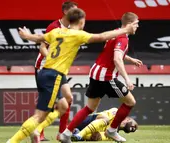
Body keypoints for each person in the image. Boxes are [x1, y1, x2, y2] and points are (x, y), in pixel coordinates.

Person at [6, 8, 138, 143]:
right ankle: (14, 140)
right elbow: (102, 36)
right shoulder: (77, 35)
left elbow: (40, 38)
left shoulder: (57, 31)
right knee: (40, 115)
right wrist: (126, 30)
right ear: (81, 22)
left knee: (63, 105)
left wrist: (27, 36)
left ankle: (61, 133)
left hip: (46, 73)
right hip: (54, 75)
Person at [60, 12, 141, 143]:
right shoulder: (123, 38)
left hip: (95, 72)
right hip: (106, 76)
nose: (137, 27)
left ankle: (66, 133)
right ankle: (112, 130)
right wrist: (127, 79)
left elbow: (113, 52)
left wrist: (130, 59)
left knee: (89, 108)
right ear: (130, 24)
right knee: (130, 102)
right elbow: (117, 59)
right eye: (136, 24)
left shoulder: (115, 32)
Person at [34, 1, 78, 141]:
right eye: (73, 11)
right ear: (65, 12)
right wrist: (54, 60)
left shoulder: (72, 29)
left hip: (58, 69)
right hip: (45, 67)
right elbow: (42, 48)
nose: (76, 15)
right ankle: (37, 132)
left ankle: (62, 133)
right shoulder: (53, 27)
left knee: (69, 98)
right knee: (48, 102)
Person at [71, 108, 138, 141]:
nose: (126, 121)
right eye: (129, 120)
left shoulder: (113, 135)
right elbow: (100, 117)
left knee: (95, 137)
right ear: (127, 118)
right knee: (106, 120)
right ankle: (79, 134)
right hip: (86, 121)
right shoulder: (117, 112)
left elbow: (98, 137)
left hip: (87, 134)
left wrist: (98, 136)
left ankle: (77, 134)